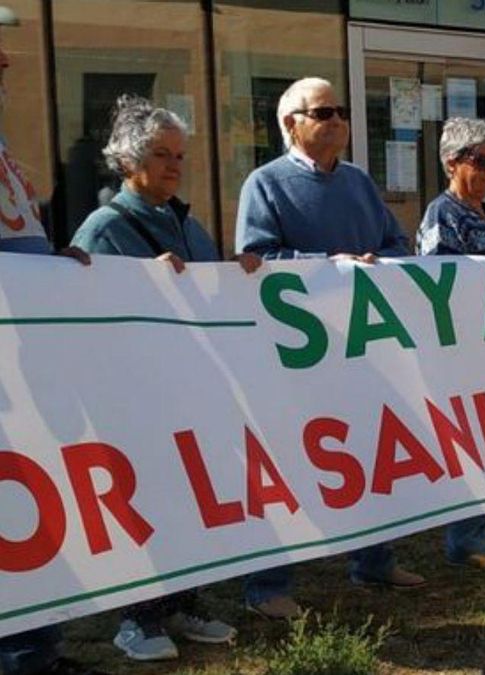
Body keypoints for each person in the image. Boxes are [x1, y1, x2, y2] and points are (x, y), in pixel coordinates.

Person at [70, 96, 251, 662]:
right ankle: (136, 617)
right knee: (147, 502)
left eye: (180, 155)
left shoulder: (187, 222)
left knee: (189, 497)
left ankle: (182, 600)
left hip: (191, 389)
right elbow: (87, 316)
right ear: (127, 161)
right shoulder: (104, 229)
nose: (175, 166)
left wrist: (239, 273)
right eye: (161, 155)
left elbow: (211, 296)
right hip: (136, 396)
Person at [235, 77, 422, 619]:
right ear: (291, 123)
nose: (337, 119)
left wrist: (374, 264)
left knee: (371, 449)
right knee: (295, 459)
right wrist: (331, 266)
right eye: (323, 111)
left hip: (362, 343)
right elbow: (258, 256)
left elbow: (396, 243)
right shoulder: (264, 184)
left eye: (340, 110)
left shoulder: (360, 182)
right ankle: (268, 585)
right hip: (300, 350)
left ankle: (375, 558)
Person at [0, 7, 105, 674]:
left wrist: (52, 259)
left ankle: (37, 648)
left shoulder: (5, 153)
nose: (7, 68)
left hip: (28, 370)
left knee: (37, 503)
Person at [417, 117, 485, 568]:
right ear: (451, 163)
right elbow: (439, 282)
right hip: (463, 352)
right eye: (482, 161)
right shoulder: (444, 215)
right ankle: (467, 539)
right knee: (470, 444)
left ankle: (483, 530)